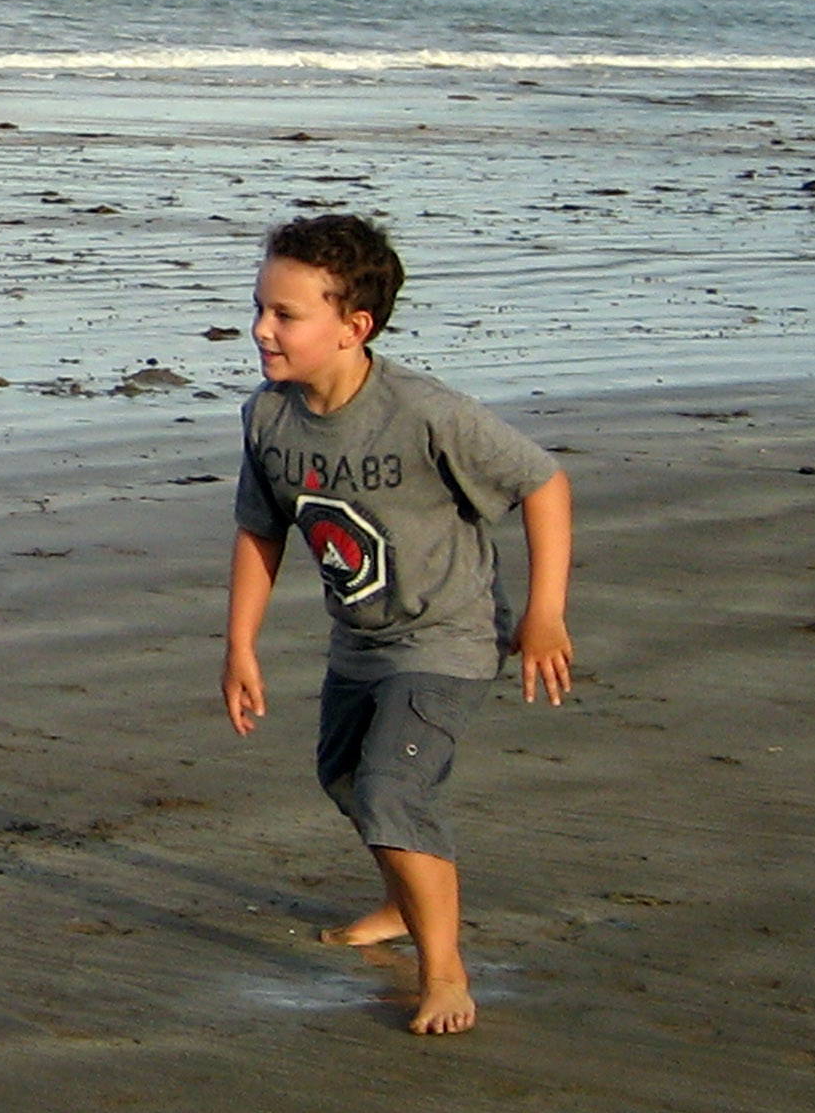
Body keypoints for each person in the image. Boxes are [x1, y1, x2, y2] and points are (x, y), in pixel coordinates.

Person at [219, 214, 572, 1037]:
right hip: (361, 639)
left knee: (392, 788)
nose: (262, 329)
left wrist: (546, 613)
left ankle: (444, 973)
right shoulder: (268, 418)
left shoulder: (423, 413)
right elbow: (261, 531)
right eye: (260, 308)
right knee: (346, 777)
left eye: (285, 315)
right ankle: (402, 903)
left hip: (448, 636)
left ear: (354, 327)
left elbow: (543, 483)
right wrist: (239, 645)